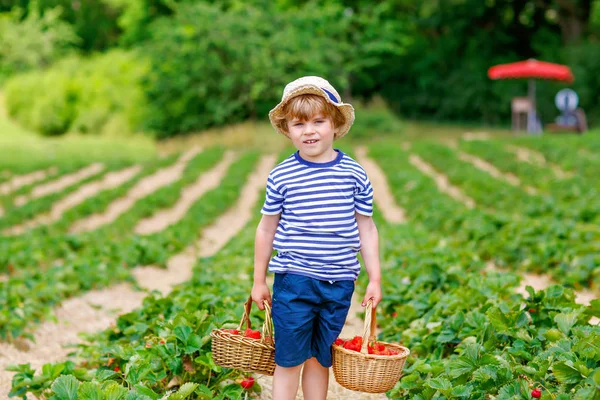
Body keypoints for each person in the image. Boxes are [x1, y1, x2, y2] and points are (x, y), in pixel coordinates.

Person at [251, 76, 382, 399]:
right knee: (288, 358)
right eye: (299, 124)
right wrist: (258, 279)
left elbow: (366, 227)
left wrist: (375, 278)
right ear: (287, 130)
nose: (309, 131)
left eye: (318, 121)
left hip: (339, 283)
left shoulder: (353, 173)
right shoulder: (282, 175)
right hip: (295, 281)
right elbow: (266, 228)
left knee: (319, 358)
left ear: (335, 124)